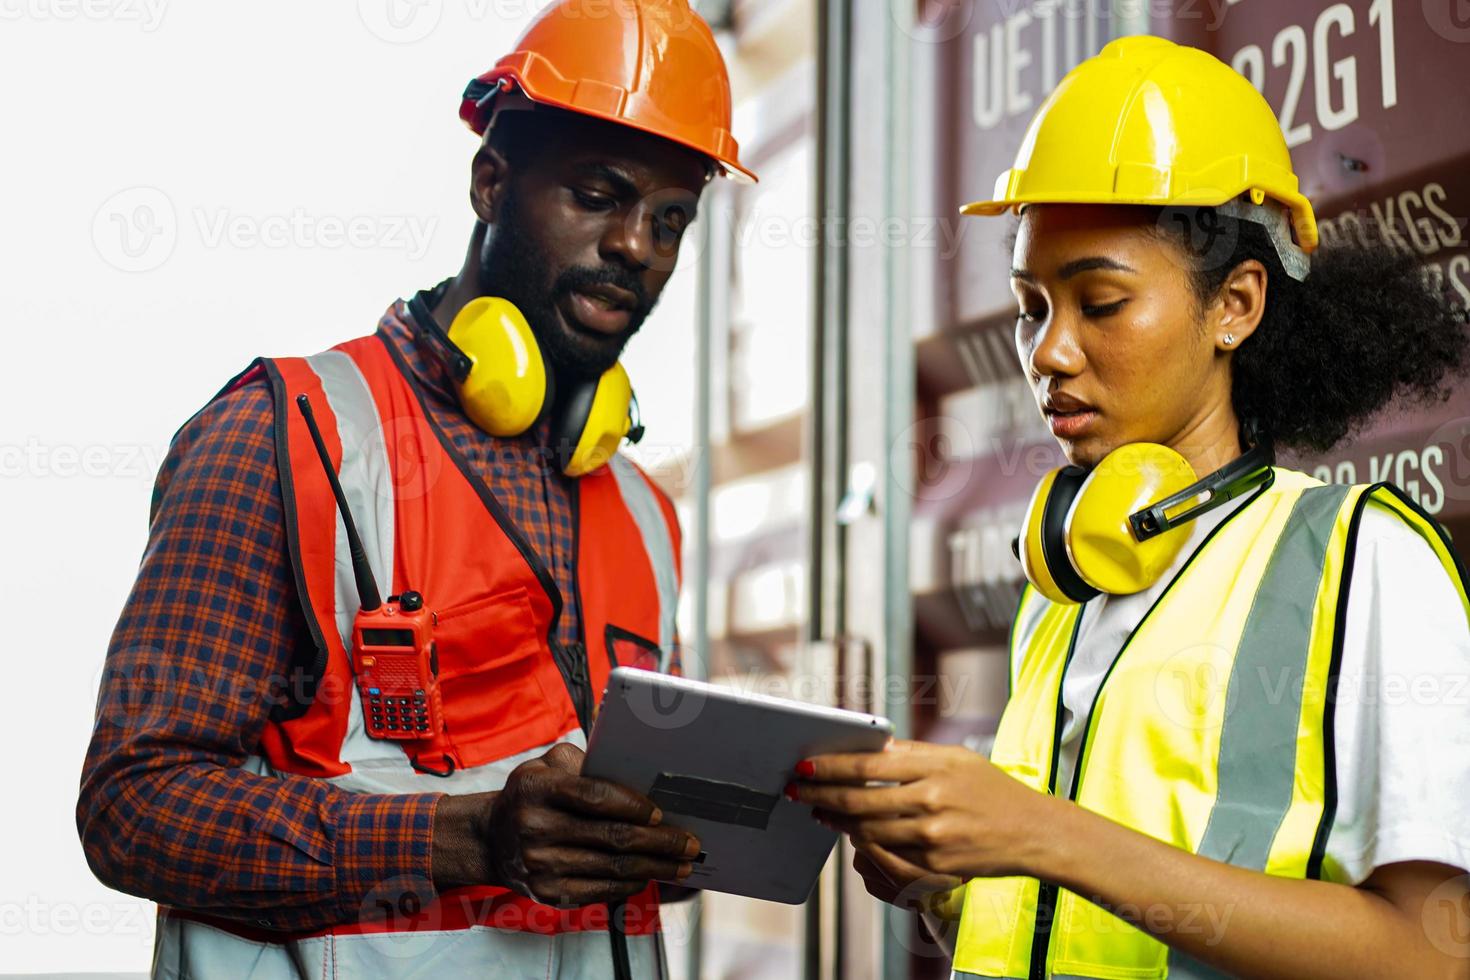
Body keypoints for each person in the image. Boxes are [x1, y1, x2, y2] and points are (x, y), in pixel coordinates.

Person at [76, 2, 755, 977]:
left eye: (670, 219)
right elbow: (131, 806)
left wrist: (685, 834)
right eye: (599, 195)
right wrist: (472, 840)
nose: (636, 246)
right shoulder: (287, 437)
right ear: (492, 181)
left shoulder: (646, 515)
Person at [790, 35, 1470, 979]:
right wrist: (943, 885)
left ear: (1234, 304)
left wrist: (1043, 835)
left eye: (1100, 303)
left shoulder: (1364, 560)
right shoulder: (1067, 578)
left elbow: (1435, 955)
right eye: (1032, 306)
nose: (1048, 353)